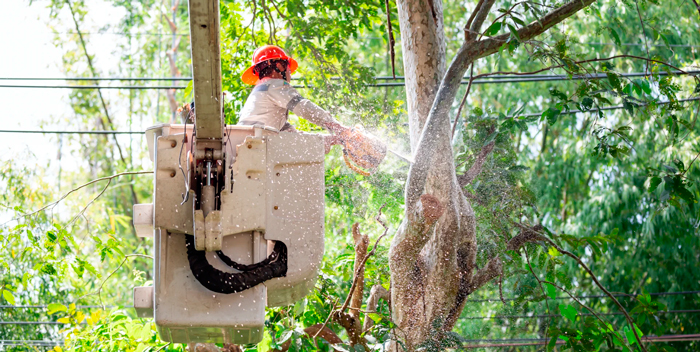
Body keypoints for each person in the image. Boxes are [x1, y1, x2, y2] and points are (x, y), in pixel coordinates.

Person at [238, 45, 347, 152]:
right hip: (255, 148)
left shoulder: (262, 94)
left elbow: (295, 139)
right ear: (280, 66)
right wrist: (339, 128)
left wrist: (337, 140)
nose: (290, 72)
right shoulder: (275, 85)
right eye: (288, 67)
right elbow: (304, 108)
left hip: (246, 147)